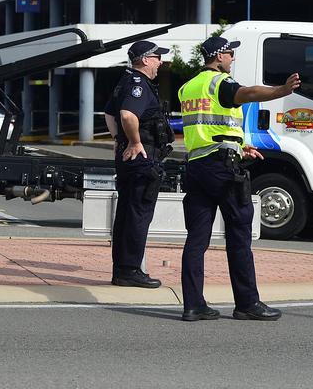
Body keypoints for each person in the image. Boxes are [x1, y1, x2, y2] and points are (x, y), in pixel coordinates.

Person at [177, 36, 300, 322]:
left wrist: (240, 145)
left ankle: (193, 305)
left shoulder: (187, 87)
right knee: (239, 235)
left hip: (197, 166)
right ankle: (247, 303)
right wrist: (281, 89)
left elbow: (206, 128)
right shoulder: (218, 83)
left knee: (196, 240)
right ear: (218, 56)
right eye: (230, 54)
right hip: (222, 170)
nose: (232, 58)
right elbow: (249, 93)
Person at [102, 39, 172, 288]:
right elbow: (126, 115)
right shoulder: (138, 84)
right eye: (157, 58)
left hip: (130, 158)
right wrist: (134, 141)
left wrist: (117, 139)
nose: (160, 63)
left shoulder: (125, 81)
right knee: (138, 215)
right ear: (144, 60)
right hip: (141, 159)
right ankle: (130, 270)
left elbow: (109, 113)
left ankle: (123, 270)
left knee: (126, 214)